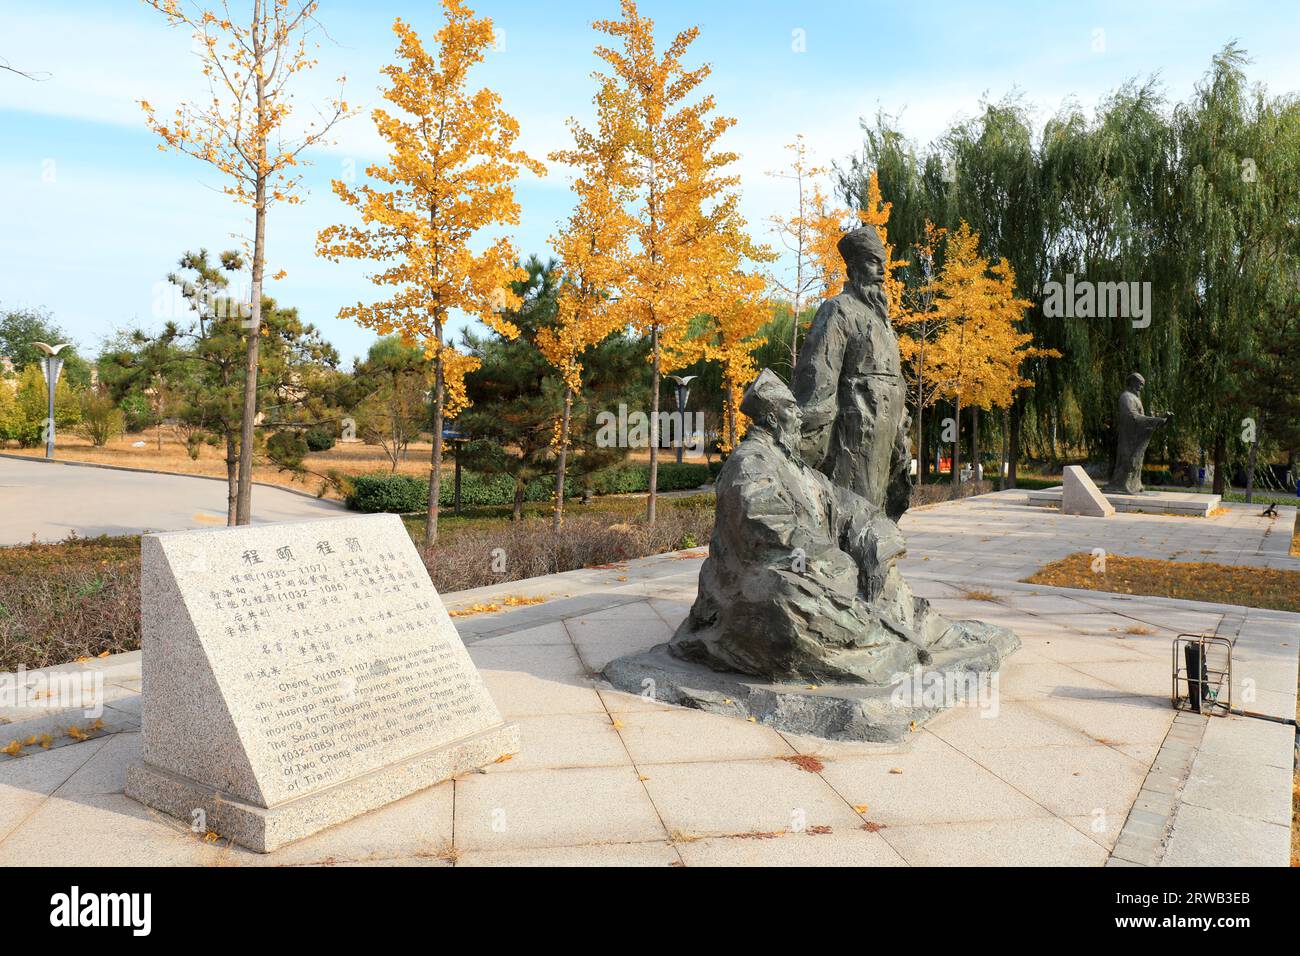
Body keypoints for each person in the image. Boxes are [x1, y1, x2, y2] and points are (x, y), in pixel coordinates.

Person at [792, 226, 912, 521]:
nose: (882, 271)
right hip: (854, 437)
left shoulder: (883, 322)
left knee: (878, 514)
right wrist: (800, 439)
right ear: (853, 266)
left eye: (883, 262)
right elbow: (817, 377)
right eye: (873, 261)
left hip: (888, 435)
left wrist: (901, 427)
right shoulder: (837, 311)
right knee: (856, 514)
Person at [1105, 372, 1172, 495]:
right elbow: (1132, 417)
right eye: (1139, 384)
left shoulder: (1136, 398)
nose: (1141, 388)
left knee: (1137, 460)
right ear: (1132, 382)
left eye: (1142, 385)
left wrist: (1160, 420)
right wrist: (1155, 420)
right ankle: (1121, 484)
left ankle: (1135, 484)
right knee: (1128, 459)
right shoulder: (1126, 397)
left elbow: (1141, 417)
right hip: (1128, 436)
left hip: (1137, 436)